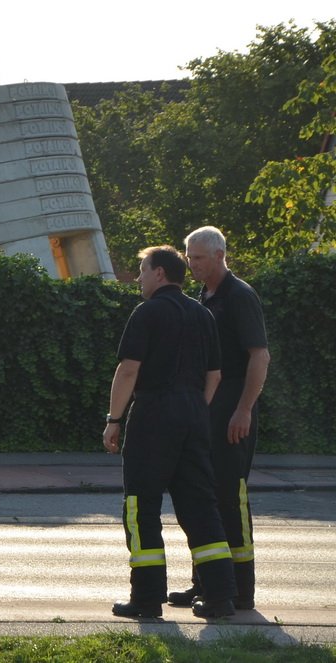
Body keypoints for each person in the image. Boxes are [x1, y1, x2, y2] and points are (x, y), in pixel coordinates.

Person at [103, 245, 237, 619]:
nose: (140, 278)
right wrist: (195, 408)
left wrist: (114, 419)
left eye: (142, 270)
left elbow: (129, 370)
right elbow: (215, 375)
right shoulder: (202, 314)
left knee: (140, 506)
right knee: (200, 506)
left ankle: (146, 599)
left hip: (154, 415)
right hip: (195, 414)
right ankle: (221, 596)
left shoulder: (147, 313)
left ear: (160, 273)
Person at [171, 226, 270, 610]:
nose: (191, 264)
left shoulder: (239, 296)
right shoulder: (206, 294)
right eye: (189, 257)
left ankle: (240, 591)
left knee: (230, 497)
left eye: (197, 258)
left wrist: (243, 409)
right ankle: (207, 582)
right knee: (203, 498)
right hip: (209, 410)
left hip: (233, 409)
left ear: (219, 255)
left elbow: (259, 357)